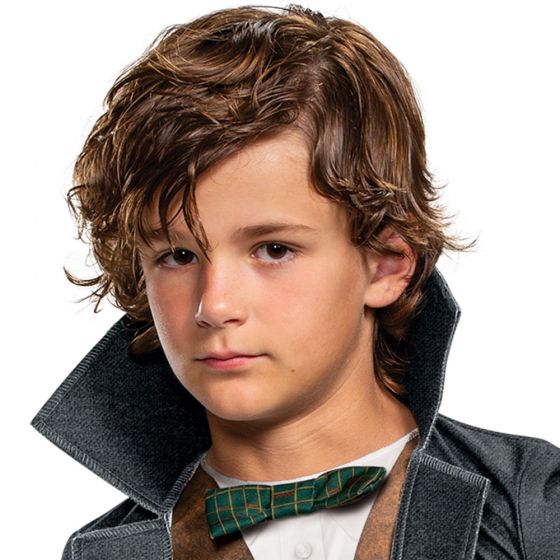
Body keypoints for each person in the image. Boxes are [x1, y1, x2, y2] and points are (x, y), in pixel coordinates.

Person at [31, 5, 559, 559]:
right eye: (178, 256)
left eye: (273, 250)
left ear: (386, 263)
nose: (215, 305)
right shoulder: (105, 553)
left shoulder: (532, 513)